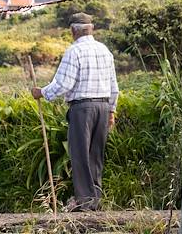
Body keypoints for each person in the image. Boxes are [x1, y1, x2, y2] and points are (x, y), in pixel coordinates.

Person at [30, 13, 118, 211]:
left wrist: (41, 92)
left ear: (73, 31)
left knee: (80, 155)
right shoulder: (104, 50)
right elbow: (114, 86)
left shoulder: (74, 51)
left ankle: (85, 203)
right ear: (91, 28)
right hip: (103, 108)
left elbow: (64, 83)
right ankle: (94, 201)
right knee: (96, 155)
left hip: (82, 108)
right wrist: (111, 110)